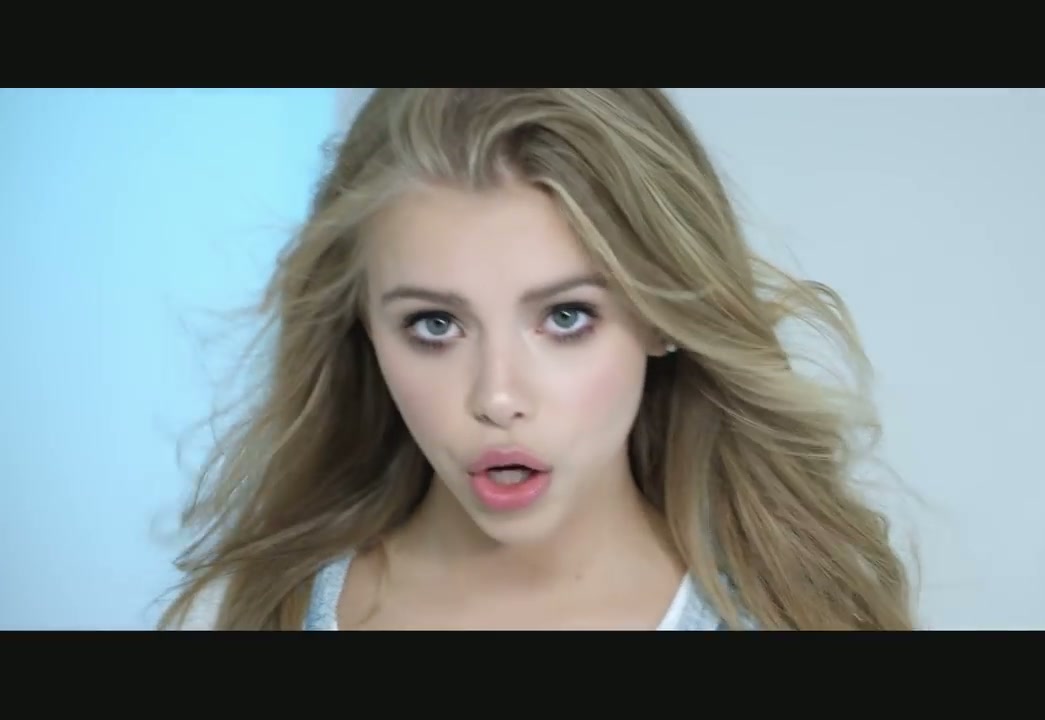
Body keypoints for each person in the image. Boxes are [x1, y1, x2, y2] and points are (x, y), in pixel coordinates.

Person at [158, 88, 916, 631]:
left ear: (662, 315)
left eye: (565, 317)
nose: (497, 397)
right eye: (434, 325)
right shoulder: (272, 609)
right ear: (364, 330)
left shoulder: (795, 617)